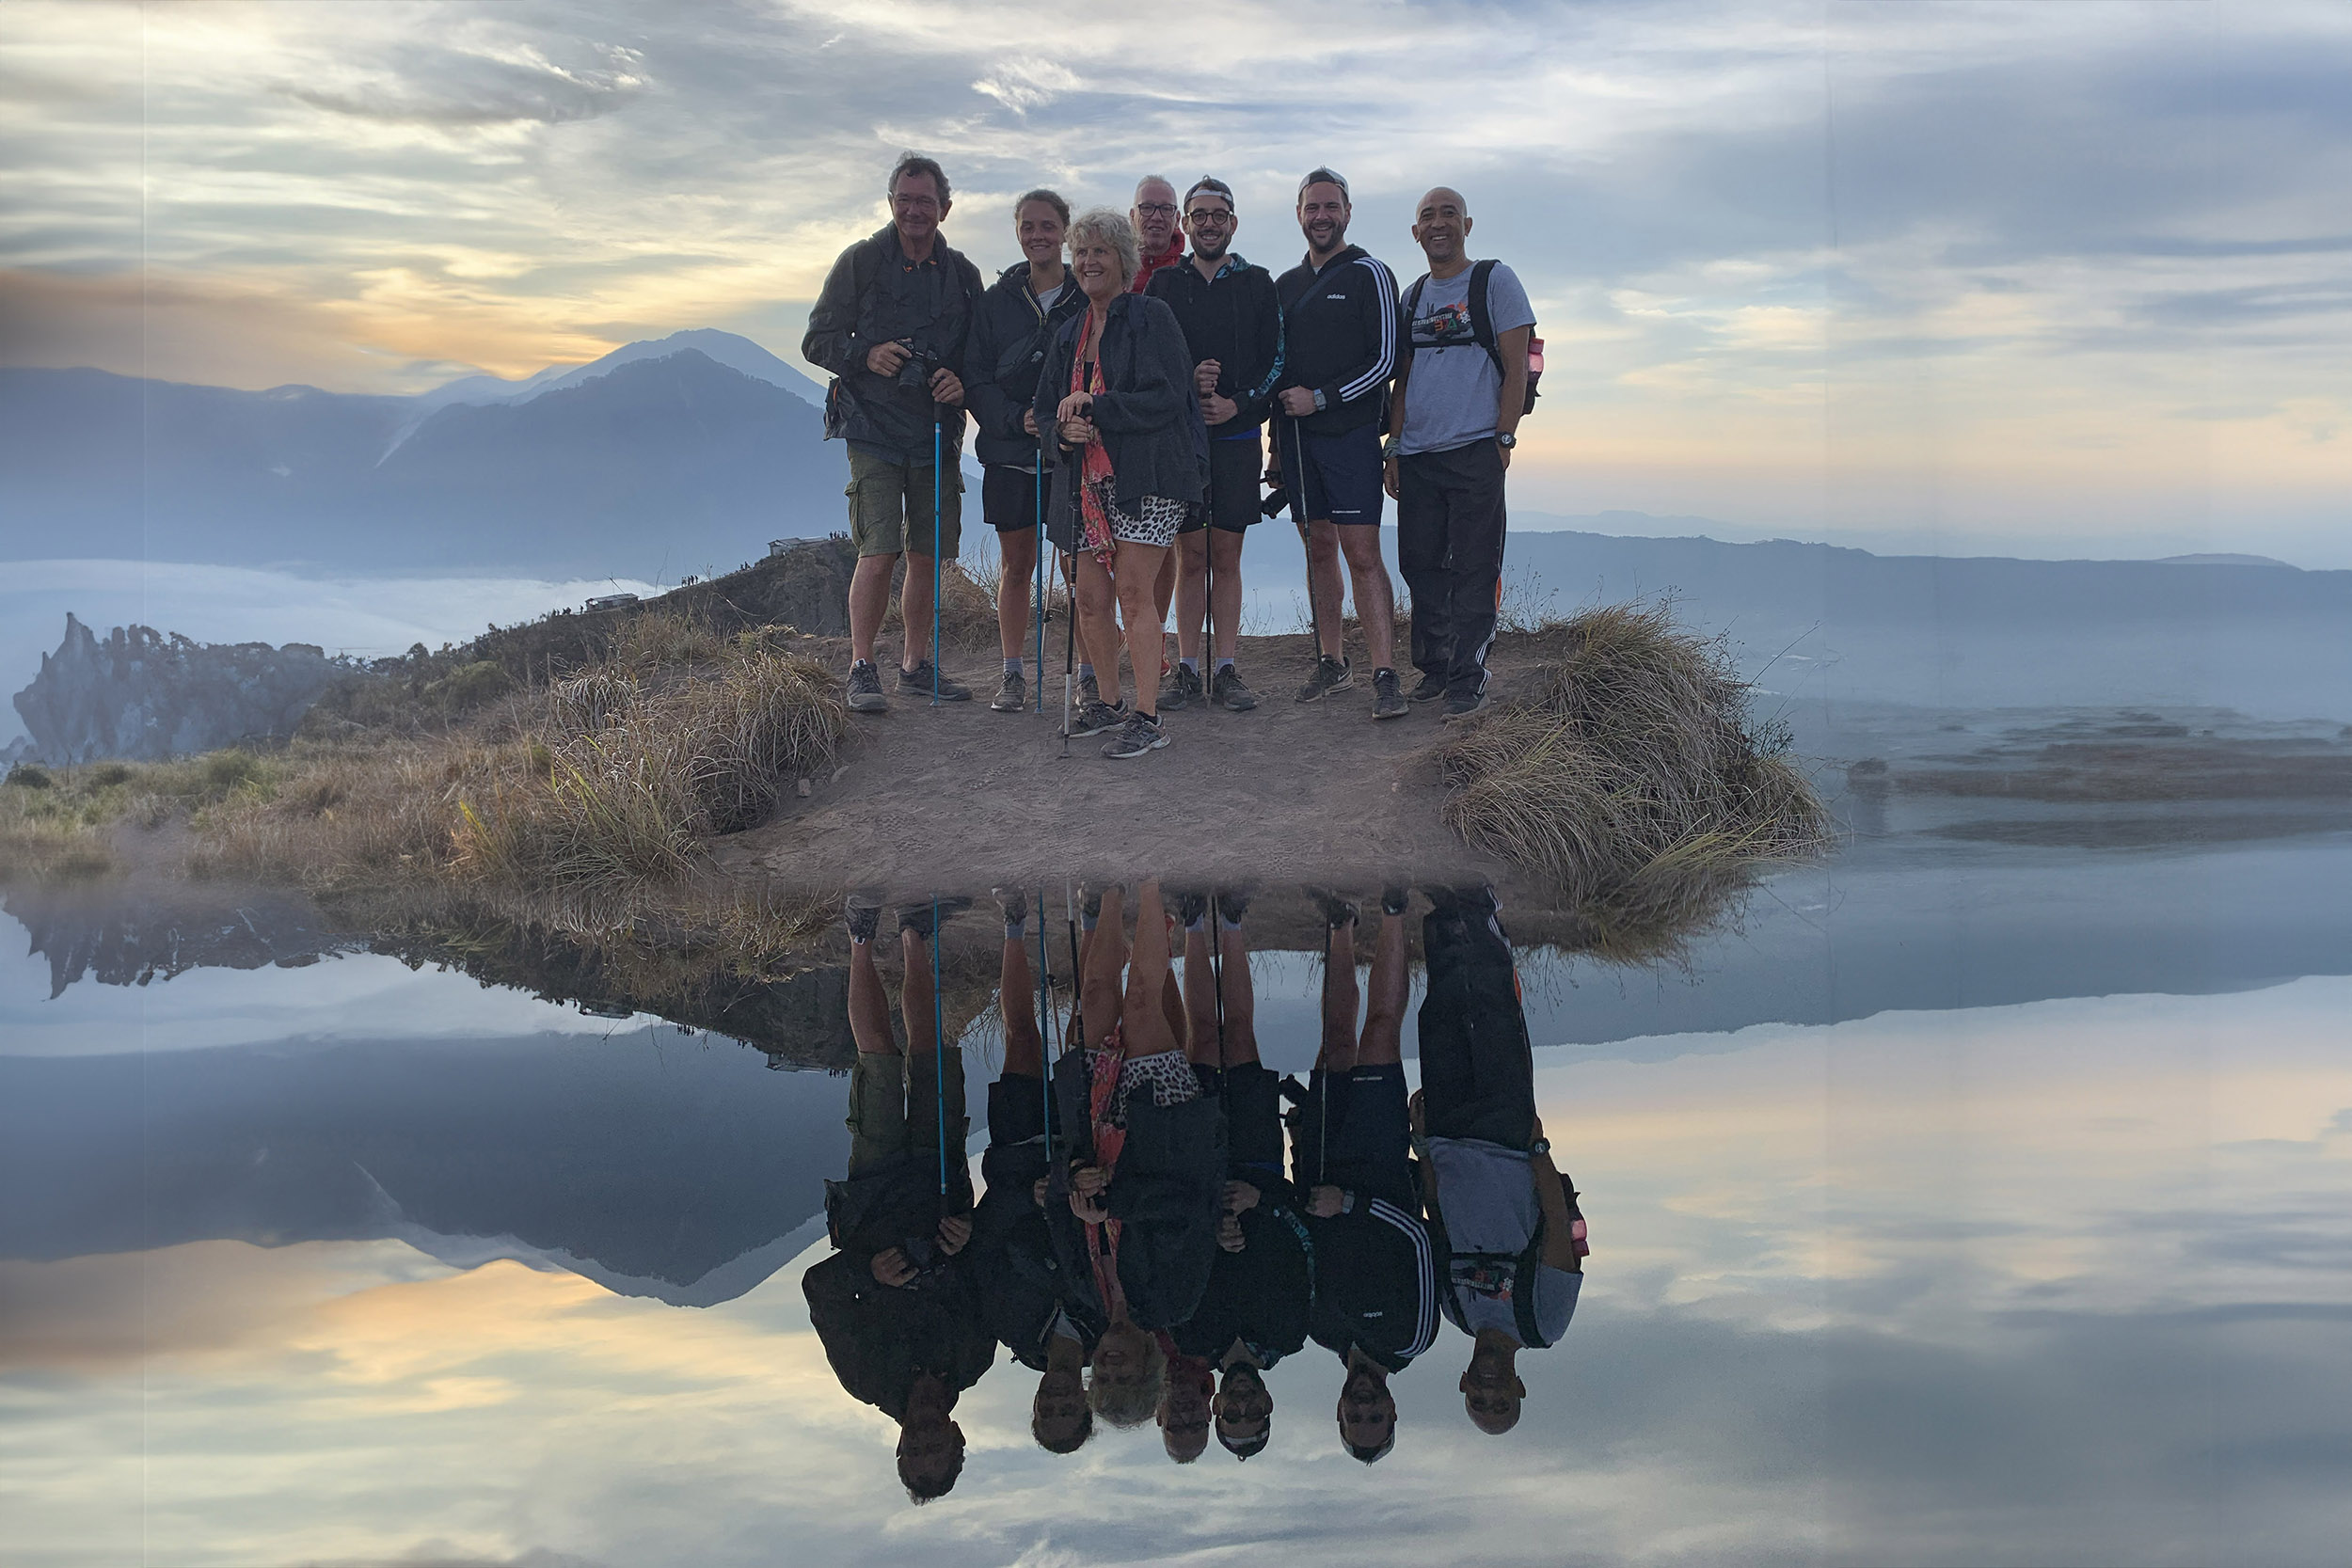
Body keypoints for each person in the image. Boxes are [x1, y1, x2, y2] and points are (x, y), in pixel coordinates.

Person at [802, 894, 993, 1501]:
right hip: (942, 1189)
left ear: (900, 1447)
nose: (926, 1439)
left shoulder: (863, 1375)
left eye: (916, 1450)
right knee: (932, 1055)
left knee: (879, 1063)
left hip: (876, 1194)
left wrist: (869, 1270)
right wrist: (970, 1235)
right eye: (939, 1448)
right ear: (959, 1438)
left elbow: (818, 1289)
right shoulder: (974, 1354)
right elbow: (987, 1269)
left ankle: (860, 937)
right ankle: (914, 938)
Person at [803, 152, 985, 715]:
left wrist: (963, 384)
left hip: (937, 431)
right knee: (877, 550)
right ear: (890, 203)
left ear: (945, 209)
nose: (914, 211)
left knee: (928, 555)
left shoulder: (964, 276)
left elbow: (980, 356)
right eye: (905, 200)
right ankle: (862, 666)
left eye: (925, 202)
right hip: (873, 429)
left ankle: (915, 665)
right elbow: (817, 341)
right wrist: (867, 353)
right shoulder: (860, 262)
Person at [1044, 881, 1228, 1428]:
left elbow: (1056, 1204)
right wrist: (1115, 1201)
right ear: (1151, 1368)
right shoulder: (1176, 1301)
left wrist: (1073, 1176)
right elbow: (1193, 1208)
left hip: (1096, 1128)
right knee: (1142, 1004)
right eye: (1125, 1377)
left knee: (1096, 996)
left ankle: (1109, 893)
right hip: (1164, 1127)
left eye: (1102, 1377)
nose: (1111, 1366)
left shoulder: (1085, 1293)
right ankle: (1150, 878)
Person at [1410, 884, 1587, 1436]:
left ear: (1463, 1384)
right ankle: (1479, 912)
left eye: (1479, 1401)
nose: (1489, 1391)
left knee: (1438, 1017)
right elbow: (1556, 1226)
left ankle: (1444, 914)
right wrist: (1538, 1149)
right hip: (1508, 1139)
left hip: (1446, 1137)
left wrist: (1422, 1145)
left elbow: (1437, 1222)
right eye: (1501, 1401)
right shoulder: (1544, 1322)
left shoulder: (1455, 1312)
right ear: (1519, 1388)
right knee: (1492, 1017)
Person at [1036, 211, 1208, 761]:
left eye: (1101, 252)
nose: (1088, 262)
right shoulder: (1069, 333)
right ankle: (1108, 703)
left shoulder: (1151, 317)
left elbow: (1168, 395)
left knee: (1133, 592)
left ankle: (1148, 715)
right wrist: (1063, 433)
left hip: (1150, 478)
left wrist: (1097, 408)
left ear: (1124, 261)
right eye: (1081, 253)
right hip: (1085, 484)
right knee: (1088, 599)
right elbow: (1044, 412)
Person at [1289, 886, 1438, 1462]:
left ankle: (1342, 925)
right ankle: (1394, 914)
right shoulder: (1412, 1337)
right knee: (1379, 1034)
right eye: (1376, 1415)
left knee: (1335, 1040)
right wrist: (1353, 1205)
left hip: (1324, 1160)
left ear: (1339, 1413)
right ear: (1393, 1408)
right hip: (1378, 1164)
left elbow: (1308, 1245)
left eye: (1356, 1417)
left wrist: (1300, 1156)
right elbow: (1421, 1241)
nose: (1364, 1405)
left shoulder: (1321, 1330)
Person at [1168, 888, 1310, 1461]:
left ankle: (1193, 927)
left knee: (1201, 1041)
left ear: (1217, 1408)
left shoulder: (1190, 1337)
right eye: (1254, 1414)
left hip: (1198, 1168)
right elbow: (1303, 1239)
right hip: (1257, 1164)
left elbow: (1178, 1252)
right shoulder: (1288, 1333)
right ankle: (1232, 923)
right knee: (1243, 1036)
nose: (1243, 1404)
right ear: (1270, 1406)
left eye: (1234, 1416)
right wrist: (1261, 1203)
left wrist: (1209, 1227)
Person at [1386, 188, 1535, 720]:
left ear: (1467, 224)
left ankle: (1469, 676)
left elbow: (1516, 366)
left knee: (1475, 567)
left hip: (1476, 449)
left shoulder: (1495, 280)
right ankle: (1436, 668)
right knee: (1420, 564)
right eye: (1428, 216)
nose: (1438, 224)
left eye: (1448, 213)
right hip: (1420, 453)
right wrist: (1395, 447)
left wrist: (1504, 438)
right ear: (1415, 232)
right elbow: (1401, 378)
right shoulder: (1411, 297)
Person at [966, 889, 1102, 1454]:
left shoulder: (1012, 1328)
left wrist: (1026, 1193)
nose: (1056, 1402)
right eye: (1069, 1411)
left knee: (1021, 1036)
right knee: (1083, 1032)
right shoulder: (1107, 1331)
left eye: (1047, 1411)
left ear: (1035, 1405)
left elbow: (988, 1243)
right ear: (1085, 1404)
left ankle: (1014, 924)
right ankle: (1091, 921)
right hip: (1083, 1149)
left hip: (1018, 1155)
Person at [1270, 168, 1406, 720]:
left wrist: (1323, 399)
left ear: (1348, 212)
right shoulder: (1284, 285)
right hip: (1298, 442)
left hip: (1349, 438)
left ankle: (1385, 672)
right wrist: (1275, 445)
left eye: (1331, 206)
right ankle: (1332, 661)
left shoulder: (1372, 273)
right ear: (1299, 214)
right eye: (1312, 207)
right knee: (1317, 548)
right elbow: (1276, 367)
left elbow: (1387, 360)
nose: (1321, 216)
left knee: (1362, 553)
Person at [1146, 178, 1282, 715]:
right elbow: (1149, 366)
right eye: (1198, 215)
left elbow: (1276, 361)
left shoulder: (1259, 284)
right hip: (1181, 441)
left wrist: (1238, 404)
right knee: (1190, 554)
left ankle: (1226, 668)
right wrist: (1189, 383)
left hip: (1238, 437)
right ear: (1185, 223)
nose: (1208, 223)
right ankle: (1187, 668)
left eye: (1218, 214)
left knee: (1226, 553)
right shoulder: (1161, 287)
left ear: (1233, 222)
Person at [964, 190, 1095, 714]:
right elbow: (975, 374)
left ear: (1064, 231)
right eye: (1028, 226)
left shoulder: (1087, 297)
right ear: (1017, 231)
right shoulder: (995, 302)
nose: (1038, 235)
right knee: (1016, 564)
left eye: (1048, 226)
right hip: (1010, 453)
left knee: (1078, 567)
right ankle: (1013, 673)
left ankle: (1089, 673)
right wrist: (1012, 418)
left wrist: (1060, 421)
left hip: (1071, 456)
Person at [1127, 174, 1187, 295]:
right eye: (1147, 207)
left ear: (1177, 219)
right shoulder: (1113, 274)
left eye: (1166, 209)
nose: (1156, 217)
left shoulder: (1190, 275)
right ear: (1132, 217)